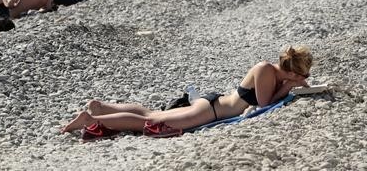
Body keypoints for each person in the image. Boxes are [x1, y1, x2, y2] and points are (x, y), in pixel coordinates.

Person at [61, 46, 312, 140]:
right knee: (151, 122)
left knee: (153, 113)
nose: (304, 79)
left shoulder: (273, 73)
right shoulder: (266, 70)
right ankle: (92, 120)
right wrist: (289, 87)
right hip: (211, 110)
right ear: (292, 72)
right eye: (303, 74)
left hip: (212, 105)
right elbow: (265, 104)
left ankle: (102, 107)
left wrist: (291, 84)